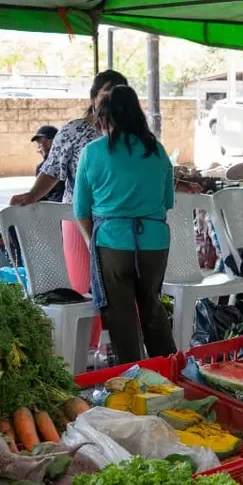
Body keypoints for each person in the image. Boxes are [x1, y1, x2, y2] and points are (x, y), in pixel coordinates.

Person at [73, 85, 177, 365]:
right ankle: (172, 371)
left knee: (121, 316)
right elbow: (168, 201)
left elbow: (81, 209)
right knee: (153, 309)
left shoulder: (92, 153)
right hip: (154, 242)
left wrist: (90, 240)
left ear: (105, 118)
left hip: (112, 242)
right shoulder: (157, 151)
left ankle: (134, 379)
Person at [10, 70, 129, 299]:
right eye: (107, 95)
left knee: (122, 294)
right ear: (93, 98)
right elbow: (52, 170)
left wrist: (179, 183)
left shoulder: (130, 135)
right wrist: (32, 195)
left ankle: (123, 336)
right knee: (81, 292)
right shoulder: (74, 131)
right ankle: (88, 336)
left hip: (119, 222)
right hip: (78, 218)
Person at [30, 126, 65, 203]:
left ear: (52, 142)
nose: (39, 146)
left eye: (41, 142)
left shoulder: (63, 163)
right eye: (38, 143)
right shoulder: (41, 167)